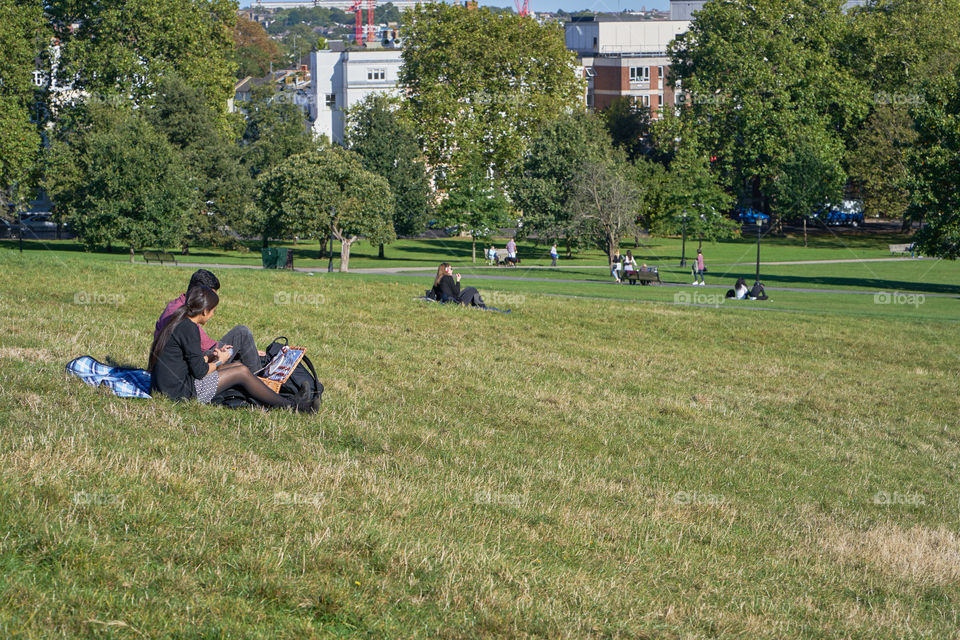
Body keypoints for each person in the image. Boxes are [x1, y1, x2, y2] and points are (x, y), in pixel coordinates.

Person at [149, 287, 315, 412]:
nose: (213, 314)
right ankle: (293, 406)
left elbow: (188, 361)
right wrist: (222, 359)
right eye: (213, 311)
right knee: (241, 372)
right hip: (180, 393)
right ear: (205, 311)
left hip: (167, 386)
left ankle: (283, 400)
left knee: (239, 367)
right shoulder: (190, 328)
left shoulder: (180, 321)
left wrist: (212, 359)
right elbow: (199, 372)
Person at [155, 269, 264, 374]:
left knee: (243, 352)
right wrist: (224, 355)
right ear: (202, 293)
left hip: (173, 364)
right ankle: (259, 381)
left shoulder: (180, 306)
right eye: (211, 295)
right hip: (186, 366)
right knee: (242, 333)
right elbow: (200, 355)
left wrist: (247, 351)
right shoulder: (184, 318)